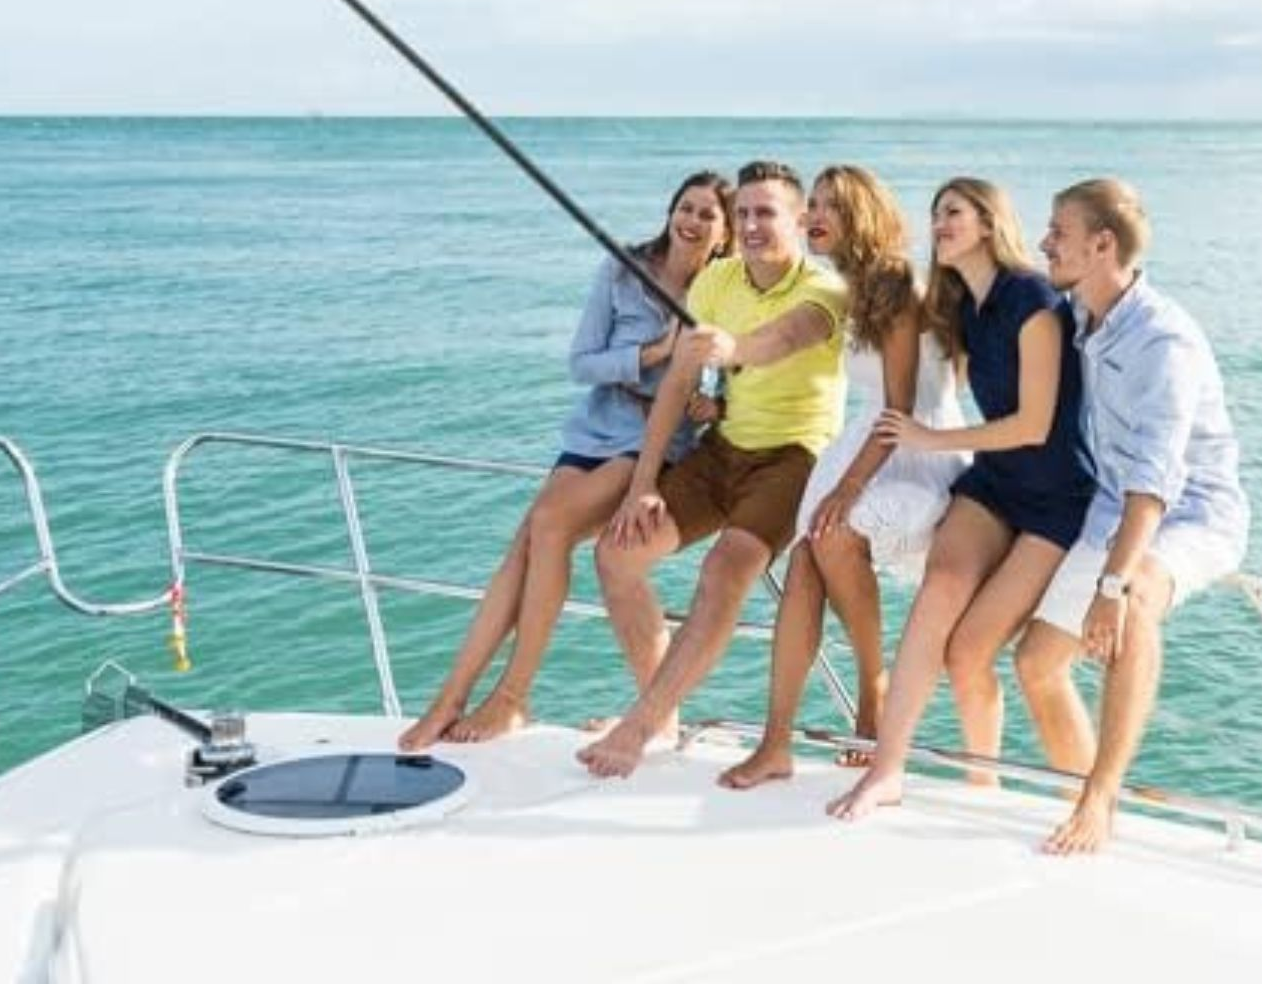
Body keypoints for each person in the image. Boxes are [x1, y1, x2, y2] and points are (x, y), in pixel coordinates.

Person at [398, 172, 734, 750]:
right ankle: (454, 696)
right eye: (686, 206)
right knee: (527, 539)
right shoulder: (622, 271)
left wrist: (714, 403)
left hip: (654, 439)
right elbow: (582, 363)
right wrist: (656, 351)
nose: (693, 220)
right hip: (595, 425)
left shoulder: (722, 291)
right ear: (670, 210)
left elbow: (735, 377)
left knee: (548, 525)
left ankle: (509, 699)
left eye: (708, 214)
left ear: (724, 232)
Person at [829, 176, 1094, 821]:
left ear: (987, 222)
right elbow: (889, 313)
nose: (940, 223)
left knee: (969, 651)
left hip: (1055, 498)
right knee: (940, 586)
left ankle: (1083, 801)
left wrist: (929, 436)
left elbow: (1034, 424)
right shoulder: (961, 307)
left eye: (953, 212)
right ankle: (890, 769)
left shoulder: (1032, 298)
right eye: (935, 214)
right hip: (995, 483)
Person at [577, 160, 849, 778]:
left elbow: (786, 338)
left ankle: (639, 725)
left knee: (724, 569)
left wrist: (735, 349)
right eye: (744, 212)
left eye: (767, 213)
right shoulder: (717, 281)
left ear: (801, 221)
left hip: (794, 457)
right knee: (615, 554)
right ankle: (663, 711)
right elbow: (676, 384)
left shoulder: (825, 289)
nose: (752, 224)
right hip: (722, 448)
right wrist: (641, 487)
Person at [1014, 178, 1250, 854]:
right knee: (1037, 663)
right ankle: (1082, 803)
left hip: (1193, 514)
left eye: (1058, 232)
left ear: (1102, 244)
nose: (1045, 242)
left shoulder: (1162, 341)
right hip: (1111, 508)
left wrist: (1112, 588)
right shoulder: (1083, 313)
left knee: (1137, 596)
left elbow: (1156, 482)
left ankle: (1100, 794)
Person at [719, 165, 966, 790]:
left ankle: (871, 688)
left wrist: (847, 487)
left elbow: (902, 406)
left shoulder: (898, 285)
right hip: (864, 443)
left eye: (829, 205)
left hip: (913, 449)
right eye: (813, 205)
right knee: (805, 561)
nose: (812, 216)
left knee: (831, 533)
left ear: (862, 212)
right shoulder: (849, 286)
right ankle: (775, 742)